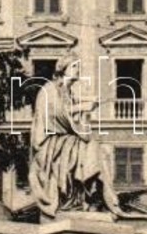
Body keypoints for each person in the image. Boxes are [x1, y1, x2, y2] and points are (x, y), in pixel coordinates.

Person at [28, 54, 124, 218]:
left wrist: (85, 107)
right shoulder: (49, 89)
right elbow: (54, 115)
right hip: (51, 143)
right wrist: (83, 107)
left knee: (98, 151)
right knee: (91, 150)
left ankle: (98, 200)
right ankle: (91, 200)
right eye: (74, 66)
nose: (78, 70)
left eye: (78, 66)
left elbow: (75, 120)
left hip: (66, 140)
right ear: (62, 70)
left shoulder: (68, 93)